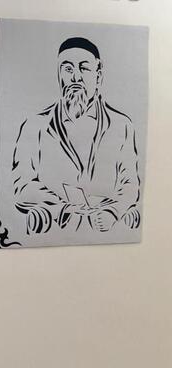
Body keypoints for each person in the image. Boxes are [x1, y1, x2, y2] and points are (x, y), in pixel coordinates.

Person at [12, 37, 141, 234]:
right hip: (54, 231)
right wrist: (62, 208)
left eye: (84, 68)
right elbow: (22, 186)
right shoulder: (34, 126)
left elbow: (130, 185)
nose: (75, 78)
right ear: (59, 75)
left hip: (108, 234)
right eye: (68, 69)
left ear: (98, 77)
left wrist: (112, 211)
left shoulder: (121, 125)